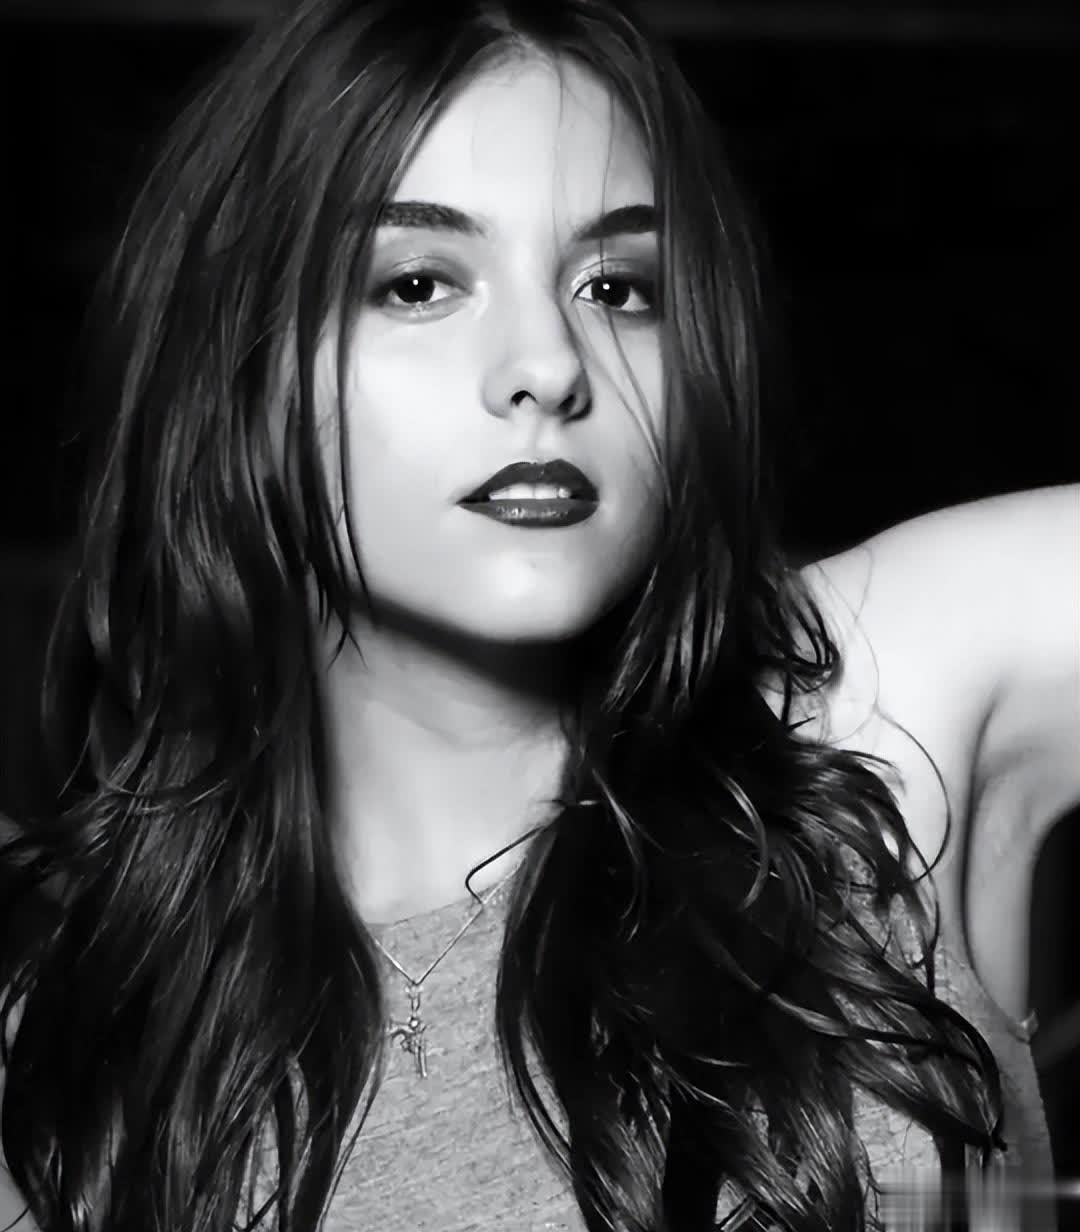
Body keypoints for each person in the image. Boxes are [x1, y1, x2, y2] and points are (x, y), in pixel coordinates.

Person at [0, 0, 1076, 1228]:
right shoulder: (72, 1056)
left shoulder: (870, 705)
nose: (550, 363)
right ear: (236, 372)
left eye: (616, 285)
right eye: (417, 283)